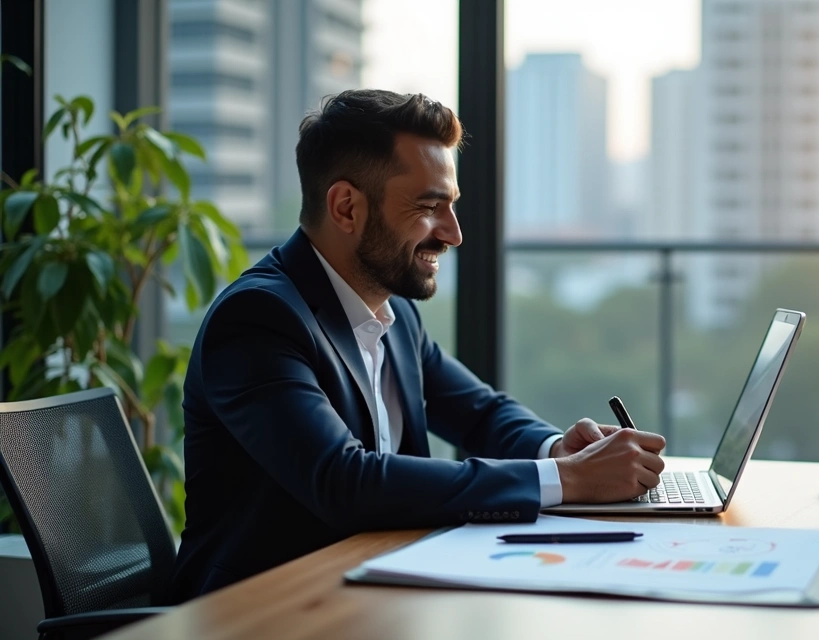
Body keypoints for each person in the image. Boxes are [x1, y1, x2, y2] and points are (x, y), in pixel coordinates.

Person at [167, 89, 666, 603]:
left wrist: (557, 449)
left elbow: (479, 415)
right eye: (429, 207)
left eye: (450, 206)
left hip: (374, 587)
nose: (453, 234)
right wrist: (566, 480)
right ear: (346, 207)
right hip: (262, 610)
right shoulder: (257, 319)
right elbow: (345, 482)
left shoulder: (393, 311)